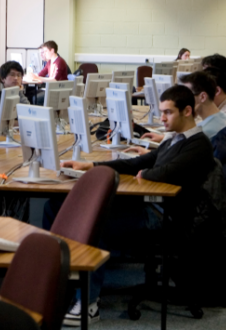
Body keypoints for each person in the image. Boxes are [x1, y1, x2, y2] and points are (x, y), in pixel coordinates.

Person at [57, 85, 217, 324]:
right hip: (151, 206)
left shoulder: (198, 144)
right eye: (161, 111)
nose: (161, 117)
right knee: (57, 207)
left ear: (187, 111)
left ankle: (88, 305)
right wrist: (91, 167)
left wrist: (146, 172)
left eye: (168, 112)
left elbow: (163, 172)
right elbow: (142, 163)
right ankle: (62, 287)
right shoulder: (175, 138)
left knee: (95, 225)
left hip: (169, 216)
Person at [135, 72, 226, 148]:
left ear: (203, 97)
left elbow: (173, 153)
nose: (182, 98)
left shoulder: (204, 132)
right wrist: (162, 138)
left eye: (187, 94)